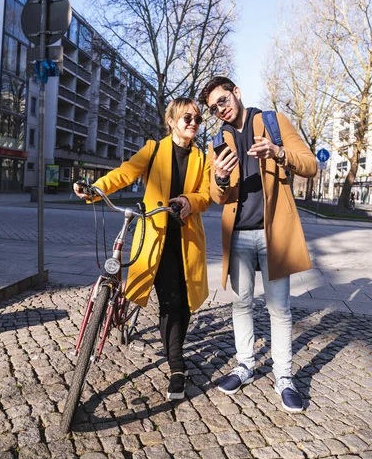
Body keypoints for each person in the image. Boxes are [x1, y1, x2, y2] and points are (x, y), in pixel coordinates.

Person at [74, 97, 211, 400]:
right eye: (187, 117)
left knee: (183, 301)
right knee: (170, 301)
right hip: (155, 238)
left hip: (185, 240)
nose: (193, 123)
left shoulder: (203, 158)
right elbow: (125, 172)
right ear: (172, 121)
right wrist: (95, 190)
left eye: (197, 119)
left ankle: (176, 360)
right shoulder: (154, 149)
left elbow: (207, 194)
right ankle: (177, 365)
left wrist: (190, 201)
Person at [199, 76, 317, 412]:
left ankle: (284, 378)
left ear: (236, 92)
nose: (220, 110)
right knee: (241, 304)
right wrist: (220, 177)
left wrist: (278, 152)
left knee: (279, 309)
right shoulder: (217, 140)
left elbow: (310, 165)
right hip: (237, 236)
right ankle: (245, 365)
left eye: (222, 101)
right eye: (213, 108)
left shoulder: (272, 121)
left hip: (274, 234)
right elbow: (217, 195)